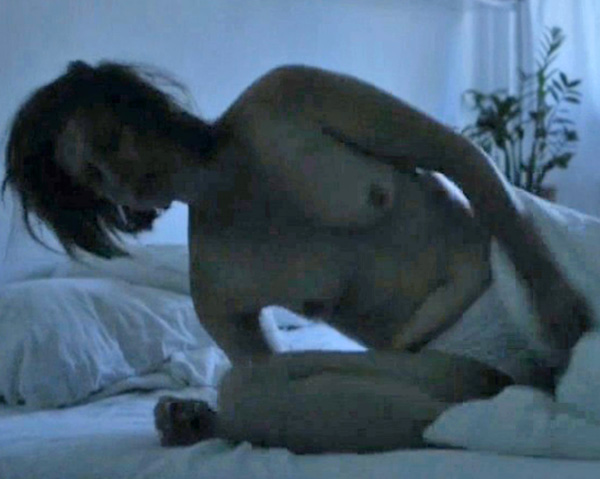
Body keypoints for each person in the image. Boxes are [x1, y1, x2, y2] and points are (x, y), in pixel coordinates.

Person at [1, 60, 591, 452]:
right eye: (96, 180)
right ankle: (502, 418)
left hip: (530, 273)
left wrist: (543, 278)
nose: (119, 176)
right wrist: (231, 423)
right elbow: (299, 396)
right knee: (244, 393)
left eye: (111, 144)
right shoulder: (214, 285)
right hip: (457, 371)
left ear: (140, 108)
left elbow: (457, 155)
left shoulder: (287, 101)